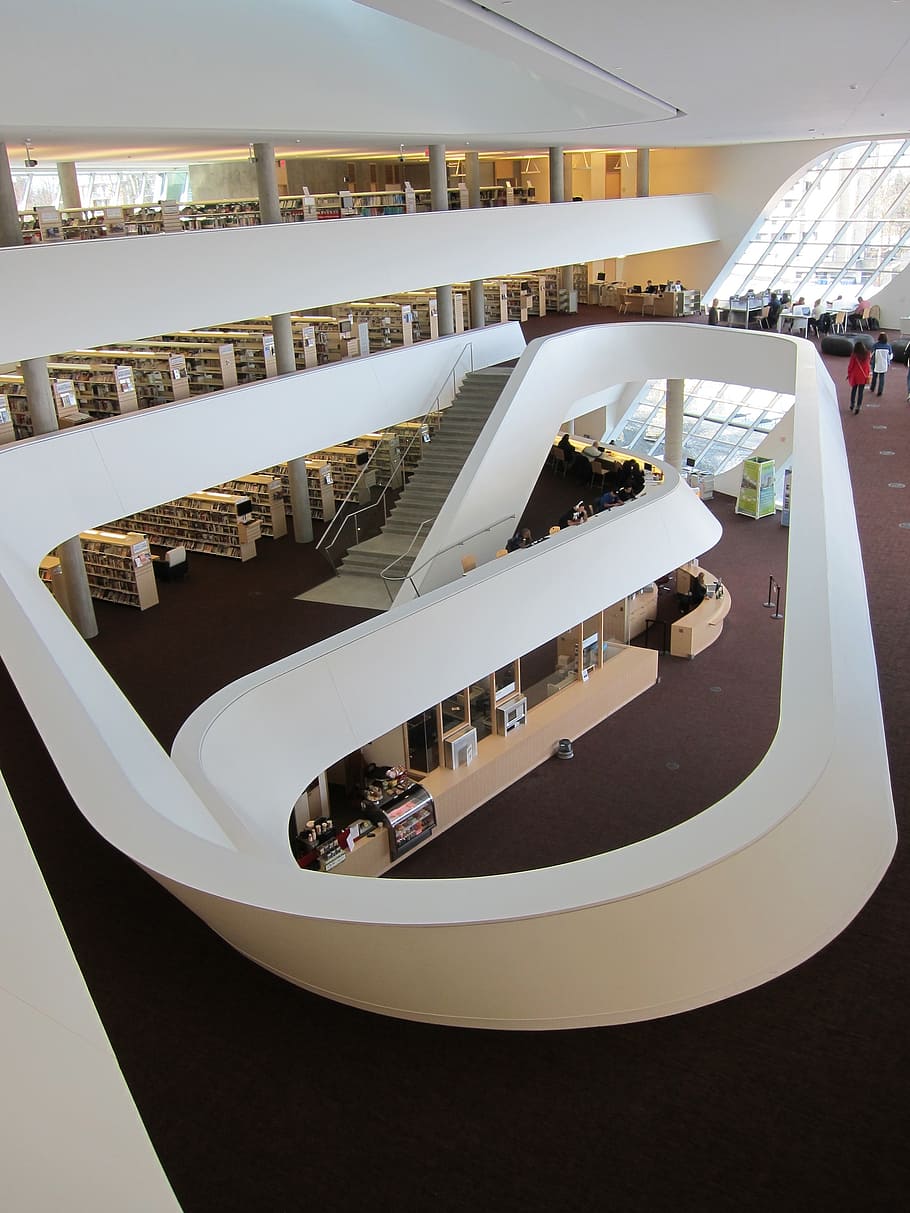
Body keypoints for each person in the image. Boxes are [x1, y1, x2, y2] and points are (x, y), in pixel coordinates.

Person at [846, 340, 872, 414]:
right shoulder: (867, 354)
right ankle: (858, 405)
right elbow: (867, 365)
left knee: (854, 390)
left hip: (855, 375)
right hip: (863, 376)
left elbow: (850, 366)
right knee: (861, 392)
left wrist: (849, 373)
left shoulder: (854, 355)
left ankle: (852, 404)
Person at [869, 331, 893, 397]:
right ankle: (880, 391)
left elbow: (871, 354)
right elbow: (890, 356)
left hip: (875, 363)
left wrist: (870, 360)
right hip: (884, 364)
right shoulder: (888, 346)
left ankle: (872, 388)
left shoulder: (875, 345)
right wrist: (888, 362)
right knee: (882, 378)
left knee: (874, 376)